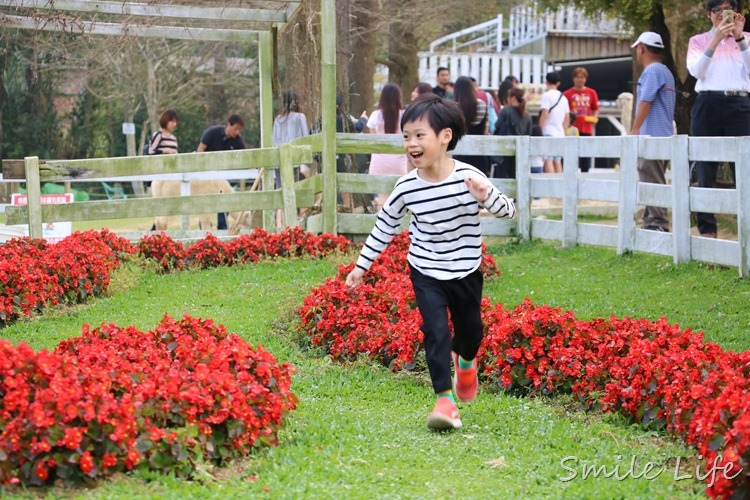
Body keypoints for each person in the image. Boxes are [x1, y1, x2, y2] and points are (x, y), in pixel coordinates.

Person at [344, 94, 516, 431]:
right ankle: (444, 401)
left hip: (466, 268)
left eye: (419, 135)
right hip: (425, 268)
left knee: (471, 331)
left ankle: (466, 361)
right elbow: (385, 226)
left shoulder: (469, 178)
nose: (411, 144)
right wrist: (361, 267)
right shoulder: (406, 186)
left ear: (445, 136)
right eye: (406, 136)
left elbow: (508, 211)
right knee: (434, 331)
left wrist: (486, 197)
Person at [687, 0, 750, 238]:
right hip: (707, 104)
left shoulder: (746, 38)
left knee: (744, 168)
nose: (723, 16)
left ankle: (745, 228)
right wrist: (715, 39)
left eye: (729, 11)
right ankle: (708, 232)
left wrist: (740, 38)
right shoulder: (697, 41)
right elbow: (696, 72)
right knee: (706, 168)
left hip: (740, 103)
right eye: (718, 11)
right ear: (708, 14)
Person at [631, 32, 677, 232]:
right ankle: (650, 221)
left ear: (641, 48)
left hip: (652, 134)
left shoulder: (651, 71)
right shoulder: (665, 71)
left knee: (651, 177)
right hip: (664, 131)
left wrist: (634, 128)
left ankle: (657, 223)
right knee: (653, 176)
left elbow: (646, 100)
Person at [196, 114, 246, 229]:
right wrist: (204, 168)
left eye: (239, 129)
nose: (237, 132)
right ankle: (204, 226)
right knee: (205, 201)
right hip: (208, 174)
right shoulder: (212, 132)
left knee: (225, 198)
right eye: (236, 128)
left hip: (225, 175)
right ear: (229, 125)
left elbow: (245, 156)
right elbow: (200, 149)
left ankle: (222, 226)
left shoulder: (238, 140)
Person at [366, 82, 409, 211]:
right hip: (398, 160)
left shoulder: (375, 115)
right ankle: (400, 229)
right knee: (397, 194)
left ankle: (382, 225)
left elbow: (373, 140)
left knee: (382, 195)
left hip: (379, 160)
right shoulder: (405, 115)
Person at [451, 76, 490, 175]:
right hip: (479, 153)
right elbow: (486, 131)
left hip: (459, 154)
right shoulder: (482, 105)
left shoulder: (452, 108)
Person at [563, 67, 599, 172]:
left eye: (582, 77)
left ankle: (585, 173)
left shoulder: (591, 92)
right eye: (578, 77)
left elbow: (596, 109)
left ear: (586, 79)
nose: (580, 80)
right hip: (572, 128)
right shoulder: (567, 94)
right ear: (573, 78)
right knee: (571, 152)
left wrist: (594, 118)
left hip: (587, 127)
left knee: (586, 151)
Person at [272, 90, 311, 184]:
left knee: (281, 191)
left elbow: (274, 143)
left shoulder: (278, 119)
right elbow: (306, 139)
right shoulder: (300, 117)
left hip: (279, 162)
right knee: (297, 191)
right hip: (296, 162)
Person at [493, 87, 532, 178]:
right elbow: (528, 133)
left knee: (501, 177)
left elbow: (496, 126)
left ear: (513, 98)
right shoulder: (527, 115)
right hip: (520, 152)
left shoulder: (506, 110)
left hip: (504, 150)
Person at [539, 72, 570, 173]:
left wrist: (540, 130)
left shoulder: (546, 96)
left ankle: (550, 185)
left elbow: (545, 114)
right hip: (560, 133)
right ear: (558, 83)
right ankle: (560, 185)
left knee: (548, 160)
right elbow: (567, 118)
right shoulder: (564, 98)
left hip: (548, 132)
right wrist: (563, 132)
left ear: (546, 82)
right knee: (557, 161)